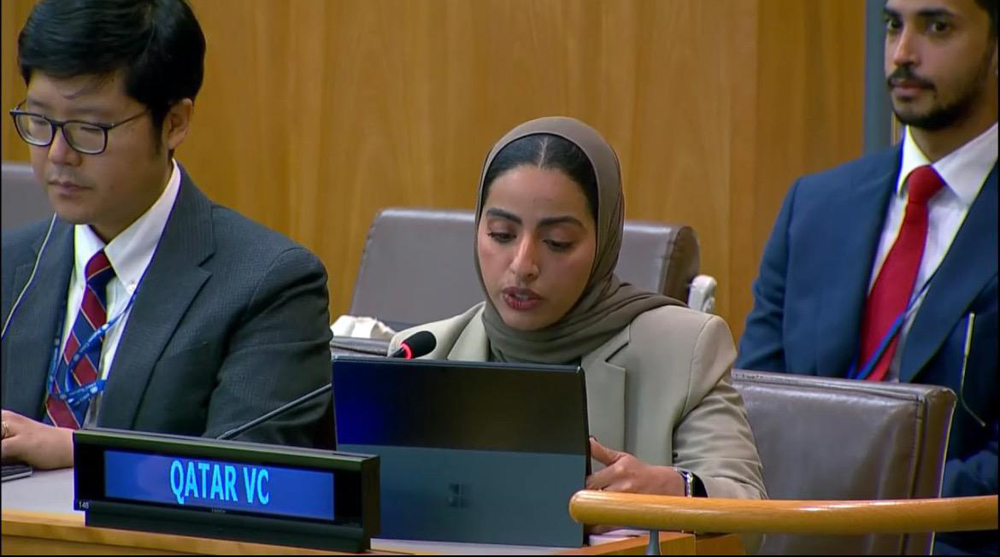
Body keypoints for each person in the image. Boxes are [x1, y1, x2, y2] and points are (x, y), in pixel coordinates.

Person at [1, 0, 332, 470]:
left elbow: (247, 474)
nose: (58, 154)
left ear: (174, 122)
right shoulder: (10, 265)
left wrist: (83, 452)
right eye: (39, 122)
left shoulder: (269, 283)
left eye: (88, 129)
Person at [389, 116, 766, 518]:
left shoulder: (683, 350)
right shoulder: (421, 355)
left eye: (558, 242)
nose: (523, 265)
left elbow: (749, 512)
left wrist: (677, 490)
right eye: (501, 234)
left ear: (604, 240)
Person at [738, 0, 996, 553]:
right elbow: (752, 405)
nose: (903, 53)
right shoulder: (814, 205)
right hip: (794, 534)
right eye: (893, 25)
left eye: (937, 27)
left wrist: (858, 495)